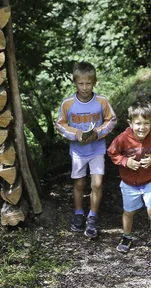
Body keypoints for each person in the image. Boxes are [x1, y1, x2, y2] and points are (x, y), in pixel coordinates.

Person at [107, 101, 151, 263]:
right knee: (129, 212)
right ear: (130, 123)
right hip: (129, 184)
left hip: (150, 181)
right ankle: (126, 236)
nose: (142, 127)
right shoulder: (122, 138)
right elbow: (112, 152)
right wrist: (125, 161)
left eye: (146, 123)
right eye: (138, 123)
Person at [56, 61, 117, 239]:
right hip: (77, 151)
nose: (84, 87)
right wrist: (76, 134)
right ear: (75, 83)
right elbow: (60, 124)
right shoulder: (68, 104)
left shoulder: (101, 101)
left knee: (97, 183)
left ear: (94, 82)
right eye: (81, 84)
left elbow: (111, 120)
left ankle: (93, 216)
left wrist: (98, 132)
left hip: (97, 148)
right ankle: (78, 212)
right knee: (79, 184)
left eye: (88, 84)